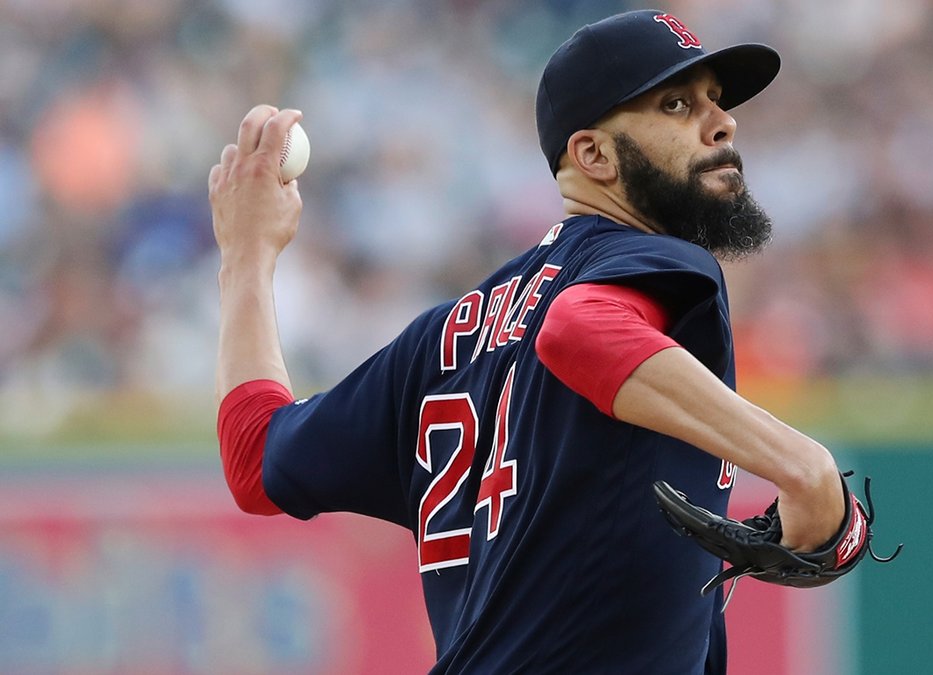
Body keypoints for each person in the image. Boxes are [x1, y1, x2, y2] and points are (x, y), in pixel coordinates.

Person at [209, 10, 848, 674]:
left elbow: (256, 455)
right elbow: (579, 331)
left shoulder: (441, 340)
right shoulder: (655, 262)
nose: (722, 123)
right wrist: (800, 463)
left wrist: (245, 258)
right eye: (677, 104)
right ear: (593, 155)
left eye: (716, 101)